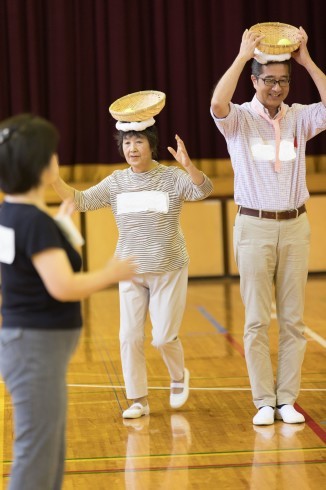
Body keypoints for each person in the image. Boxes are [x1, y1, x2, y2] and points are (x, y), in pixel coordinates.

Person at [0, 113, 136, 490]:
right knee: (38, 448)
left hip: (29, 346)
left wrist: (60, 224)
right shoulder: (33, 222)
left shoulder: (12, 215)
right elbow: (61, 286)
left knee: (49, 446)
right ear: (40, 166)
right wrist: (111, 273)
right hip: (34, 349)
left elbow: (31, 266)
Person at [52, 115, 213, 419]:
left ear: (151, 145)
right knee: (129, 336)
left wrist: (189, 166)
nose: (132, 148)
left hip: (169, 267)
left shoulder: (171, 177)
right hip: (130, 270)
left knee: (163, 337)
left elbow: (202, 190)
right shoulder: (116, 182)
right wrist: (53, 179)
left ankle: (178, 377)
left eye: (138, 141)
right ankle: (138, 398)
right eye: (127, 142)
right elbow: (81, 201)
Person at [210, 26, 326, 425]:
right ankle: (263, 400)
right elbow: (217, 102)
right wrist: (242, 56)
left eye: (283, 80)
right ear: (255, 81)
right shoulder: (240, 119)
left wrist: (306, 60)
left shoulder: (299, 118)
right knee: (258, 319)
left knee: (293, 320)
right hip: (254, 227)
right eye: (269, 80)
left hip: (295, 226)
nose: (276, 88)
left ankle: (287, 399)